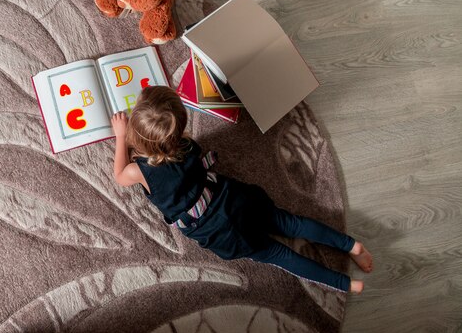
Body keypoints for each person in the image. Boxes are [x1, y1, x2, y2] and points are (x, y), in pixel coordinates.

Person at [111, 85, 373, 293]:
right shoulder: (188, 146)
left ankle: (347, 284)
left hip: (221, 233)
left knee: (280, 254)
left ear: (140, 136)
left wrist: (121, 136)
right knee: (291, 223)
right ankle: (353, 246)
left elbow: (120, 176)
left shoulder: (139, 171)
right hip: (235, 200)